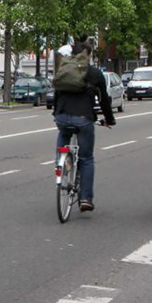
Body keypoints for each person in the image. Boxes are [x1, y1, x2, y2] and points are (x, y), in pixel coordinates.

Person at [53, 42, 116, 212]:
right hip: (83, 118)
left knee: (63, 136)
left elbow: (57, 93)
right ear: (88, 55)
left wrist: (56, 113)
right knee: (86, 158)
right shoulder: (94, 73)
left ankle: (60, 164)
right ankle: (86, 198)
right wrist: (109, 119)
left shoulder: (65, 69)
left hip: (62, 116)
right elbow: (104, 100)